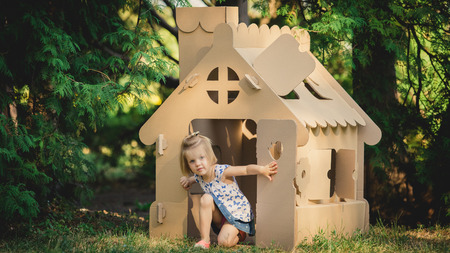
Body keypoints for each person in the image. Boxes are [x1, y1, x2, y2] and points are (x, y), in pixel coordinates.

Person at [179, 132, 278, 249]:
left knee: (223, 242)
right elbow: (193, 179)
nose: (198, 164)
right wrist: (187, 181)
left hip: (236, 217)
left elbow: (245, 170)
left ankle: (240, 234)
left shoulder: (221, 171)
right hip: (220, 217)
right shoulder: (199, 176)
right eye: (192, 161)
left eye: (201, 158)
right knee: (206, 198)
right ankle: (205, 240)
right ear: (188, 164)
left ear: (210, 156)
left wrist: (262, 169)